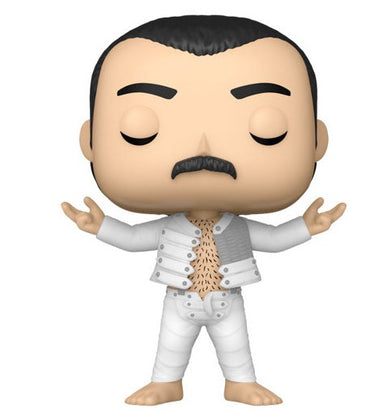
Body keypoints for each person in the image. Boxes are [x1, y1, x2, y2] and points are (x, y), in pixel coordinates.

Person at [62, 15, 346, 406]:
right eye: (140, 130)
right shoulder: (169, 227)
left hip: (228, 300)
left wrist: (306, 226)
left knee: (236, 343)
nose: (203, 145)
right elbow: (132, 238)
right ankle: (166, 382)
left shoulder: (239, 227)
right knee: (171, 343)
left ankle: (240, 382)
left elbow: (274, 239)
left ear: (317, 141)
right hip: (179, 300)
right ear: (90, 141)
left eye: (267, 130)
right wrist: (101, 226)